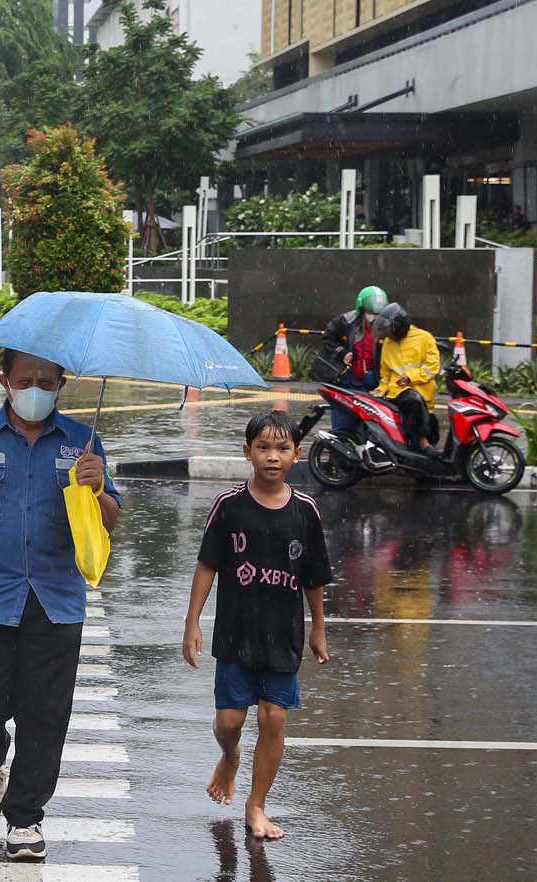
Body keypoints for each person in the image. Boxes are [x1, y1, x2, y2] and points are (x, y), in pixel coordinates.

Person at [0, 349, 122, 862]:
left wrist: (98, 488)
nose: (37, 389)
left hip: (57, 604)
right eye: (26, 379)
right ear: (5, 381)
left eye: (47, 381)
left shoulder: (83, 441)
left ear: (61, 385)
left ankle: (27, 818)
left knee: (46, 716)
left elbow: (111, 520)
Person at [182, 409, 332, 842]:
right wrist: (192, 623)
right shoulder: (229, 506)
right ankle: (230, 757)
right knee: (229, 722)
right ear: (247, 452)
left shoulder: (305, 511)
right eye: (263, 447)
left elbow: (314, 576)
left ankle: (256, 805)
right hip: (234, 635)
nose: (272, 456)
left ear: (297, 455)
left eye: (282, 448)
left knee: (274, 718)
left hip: (283, 637)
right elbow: (207, 565)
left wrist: (319, 628)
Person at [371, 302, 442, 457]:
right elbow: (385, 373)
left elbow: (433, 366)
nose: (388, 333)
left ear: (400, 326)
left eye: (390, 329)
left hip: (425, 396)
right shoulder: (388, 343)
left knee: (433, 434)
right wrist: (381, 389)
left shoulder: (424, 337)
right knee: (414, 401)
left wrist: (411, 377)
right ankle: (422, 442)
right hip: (400, 393)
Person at [320, 286, 387, 432]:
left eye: (377, 313)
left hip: (375, 382)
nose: (373, 317)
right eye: (370, 313)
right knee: (344, 421)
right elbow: (328, 337)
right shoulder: (347, 321)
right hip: (350, 379)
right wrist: (342, 353)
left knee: (372, 424)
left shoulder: (385, 325)